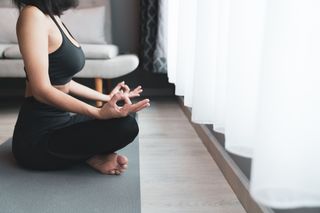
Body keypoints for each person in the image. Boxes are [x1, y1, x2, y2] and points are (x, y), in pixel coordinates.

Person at [11, 0, 150, 175]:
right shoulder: (32, 15)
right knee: (126, 126)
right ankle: (89, 156)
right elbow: (41, 90)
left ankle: (88, 156)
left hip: (63, 122)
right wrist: (97, 112)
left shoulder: (52, 17)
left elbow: (64, 82)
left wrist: (106, 98)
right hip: (37, 139)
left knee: (125, 115)